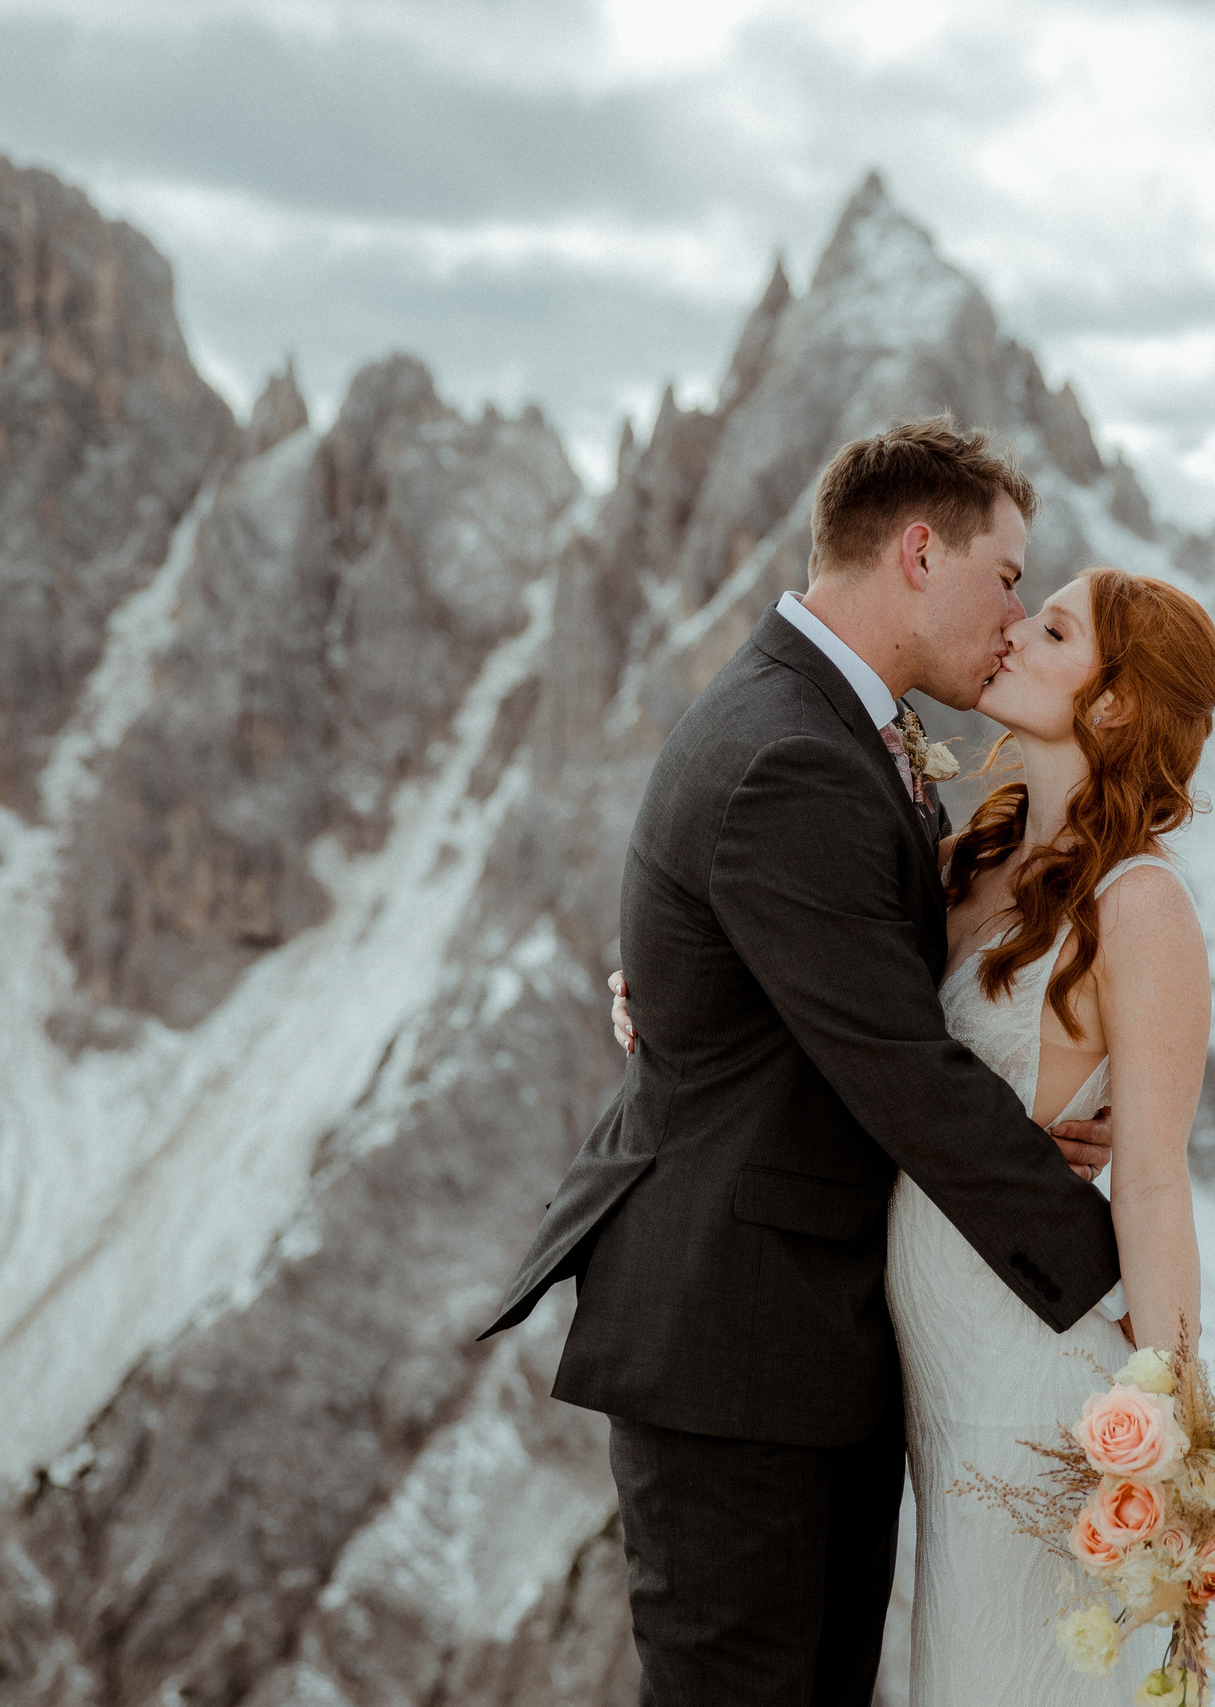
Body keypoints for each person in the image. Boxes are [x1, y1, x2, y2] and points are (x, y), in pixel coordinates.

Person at [480, 418, 1136, 1707]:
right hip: (737, 1348)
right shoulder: (793, 751)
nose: (1013, 617)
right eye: (1006, 577)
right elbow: (892, 1062)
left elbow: (843, 1008)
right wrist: (1119, 1302)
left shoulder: (833, 725)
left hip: (800, 1347)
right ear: (915, 551)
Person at [611, 564, 1215, 1703]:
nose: (1009, 634)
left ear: (1117, 705)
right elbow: (832, 999)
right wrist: (654, 983)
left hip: (1032, 1360)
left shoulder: (1141, 905)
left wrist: (1181, 1438)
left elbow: (1150, 1186)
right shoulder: (961, 859)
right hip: (919, 1368)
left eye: (1048, 628)